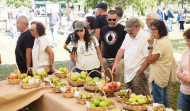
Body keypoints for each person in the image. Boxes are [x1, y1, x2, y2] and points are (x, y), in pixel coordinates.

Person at [112, 18, 150, 94]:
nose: (129, 32)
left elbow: (148, 57)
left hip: (137, 73)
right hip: (128, 72)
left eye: (131, 30)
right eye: (127, 30)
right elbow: (121, 50)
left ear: (138, 28)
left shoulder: (145, 37)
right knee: (128, 97)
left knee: (140, 98)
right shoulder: (128, 35)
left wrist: (140, 71)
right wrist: (116, 63)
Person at [147, 20, 173, 107]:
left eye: (154, 30)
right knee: (165, 102)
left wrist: (150, 45)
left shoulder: (161, 43)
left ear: (161, 30)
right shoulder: (166, 40)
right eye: (151, 29)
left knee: (158, 104)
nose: (152, 32)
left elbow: (150, 60)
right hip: (163, 75)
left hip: (158, 77)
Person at [100, 10, 127, 88]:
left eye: (114, 19)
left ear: (117, 18)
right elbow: (102, 44)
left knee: (119, 84)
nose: (112, 21)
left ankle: (120, 98)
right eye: (110, 19)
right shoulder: (103, 29)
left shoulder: (123, 29)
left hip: (118, 60)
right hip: (106, 59)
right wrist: (102, 58)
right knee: (108, 83)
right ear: (106, 18)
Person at [176, 28, 190, 111]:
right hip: (183, 93)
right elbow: (178, 71)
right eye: (186, 40)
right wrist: (181, 75)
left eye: (189, 41)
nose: (186, 43)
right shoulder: (185, 52)